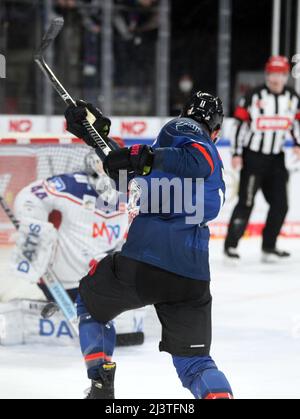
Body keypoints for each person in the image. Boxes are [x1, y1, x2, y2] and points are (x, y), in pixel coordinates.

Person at [65, 92, 233, 400]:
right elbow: (129, 174)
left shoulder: (183, 131)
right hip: (191, 276)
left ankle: (101, 386)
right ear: (218, 131)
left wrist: (148, 156)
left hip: (145, 261)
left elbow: (192, 160)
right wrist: (96, 136)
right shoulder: (213, 175)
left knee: (90, 303)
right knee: (195, 363)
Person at [13, 125, 145, 346]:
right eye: (104, 167)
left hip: (98, 277)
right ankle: (56, 299)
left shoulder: (132, 193)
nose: (108, 174)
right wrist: (35, 229)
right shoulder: (70, 185)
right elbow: (28, 196)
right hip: (63, 277)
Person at [225, 56, 300, 262]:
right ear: (267, 75)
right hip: (253, 158)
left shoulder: (293, 98)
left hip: (276, 159)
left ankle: (269, 246)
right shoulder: (253, 96)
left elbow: (296, 124)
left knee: (281, 205)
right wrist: (237, 154)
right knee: (246, 202)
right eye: (272, 74)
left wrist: (298, 143)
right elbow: (238, 126)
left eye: (280, 74)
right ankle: (230, 246)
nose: (275, 78)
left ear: (286, 77)